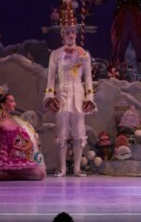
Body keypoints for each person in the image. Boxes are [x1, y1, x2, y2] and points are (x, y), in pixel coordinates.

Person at [44, 11, 96, 177]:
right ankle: (62, 168)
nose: (71, 35)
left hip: (78, 94)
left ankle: (77, 168)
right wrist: (50, 97)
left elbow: (88, 77)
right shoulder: (55, 54)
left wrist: (89, 98)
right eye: (67, 32)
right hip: (62, 94)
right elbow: (51, 78)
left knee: (79, 133)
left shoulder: (84, 54)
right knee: (62, 132)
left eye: (73, 31)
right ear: (62, 34)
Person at [0, 88, 45, 180]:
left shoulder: (15, 123)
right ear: (3, 105)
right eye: (12, 101)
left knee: (40, 174)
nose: (15, 104)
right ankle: (1, 173)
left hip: (12, 158)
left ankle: (5, 176)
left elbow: (29, 141)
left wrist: (23, 148)